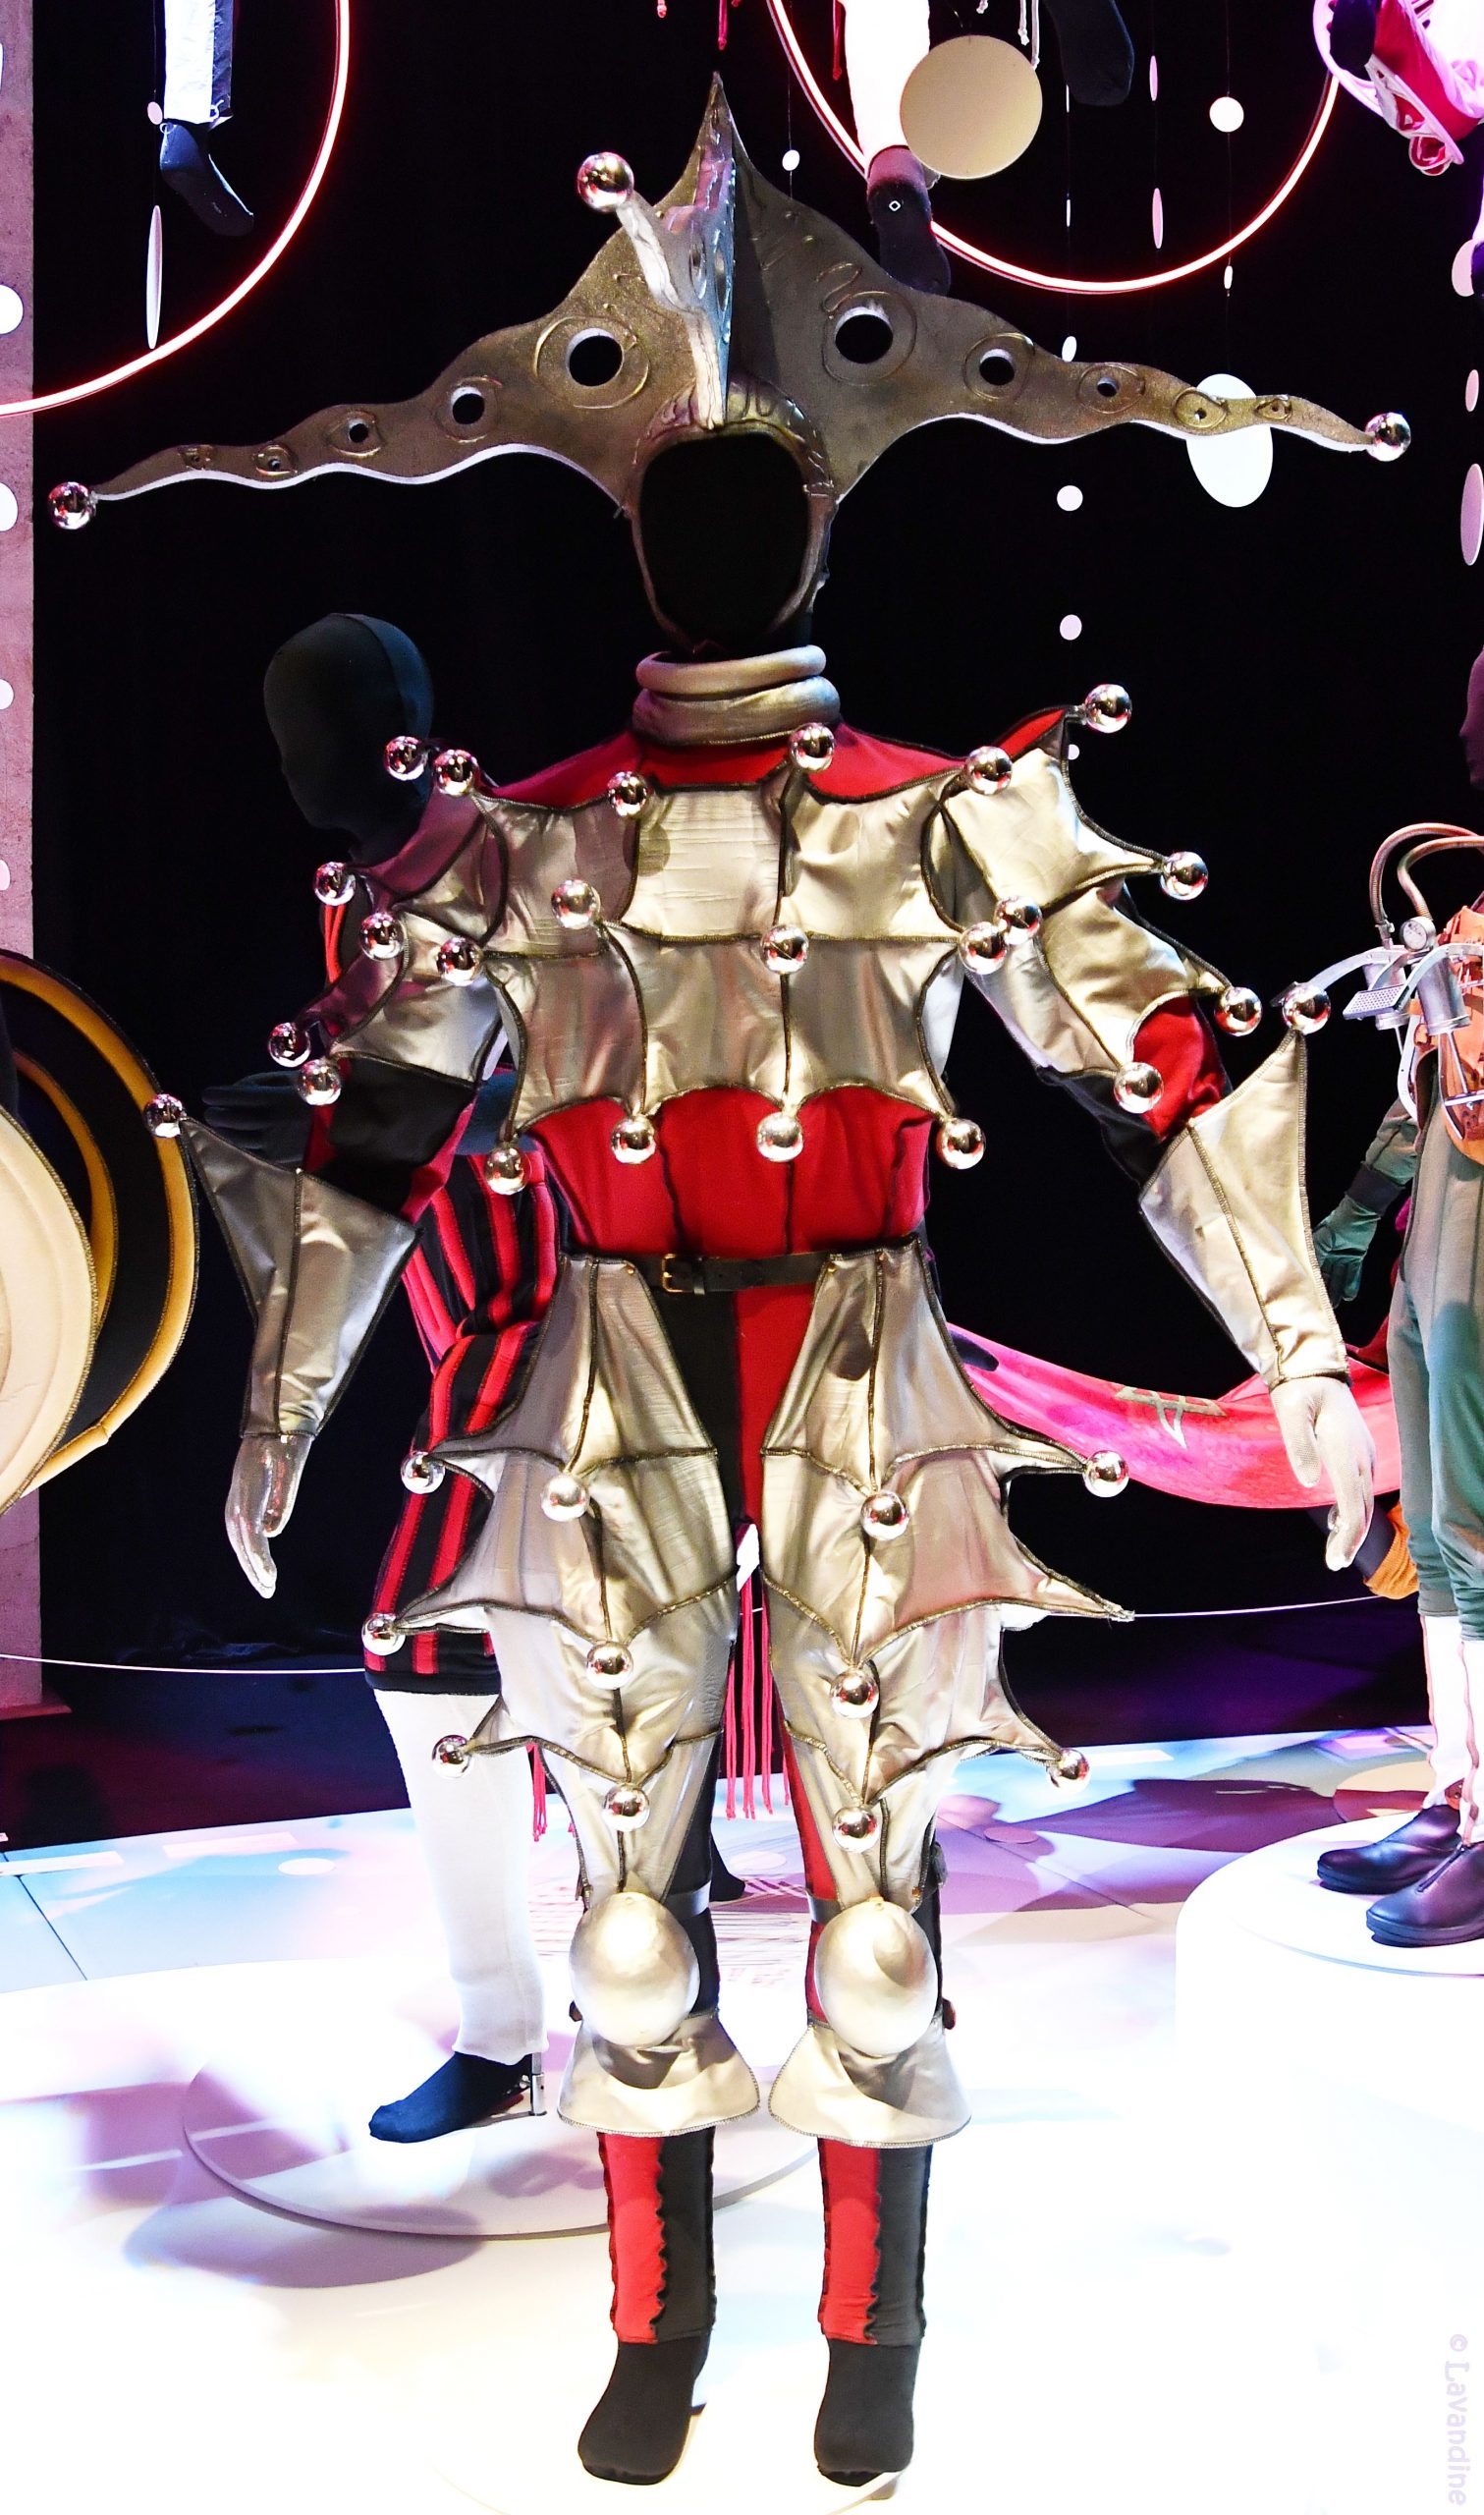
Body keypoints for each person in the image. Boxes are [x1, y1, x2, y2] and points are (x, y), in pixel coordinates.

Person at [76, 93, 1387, 2490]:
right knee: (626, 1886)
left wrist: (1297, 1339)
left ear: (796, 532)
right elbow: (378, 1135)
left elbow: (1165, 1060)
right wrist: (282, 1394)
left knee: (880, 1881)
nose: (716, 532)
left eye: (739, 499)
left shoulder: (925, 811)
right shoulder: (538, 844)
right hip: (622, 1361)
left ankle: (874, 2331)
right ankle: (660, 2320)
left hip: (858, 1350)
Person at [1311, 642, 1484, 1943]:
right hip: (1441, 1225)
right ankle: (1457, 1784)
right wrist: (1354, 1231)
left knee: (1476, 1530)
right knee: (1432, 1528)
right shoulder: (1465, 914)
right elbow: (1425, 1090)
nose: (1469, 736)